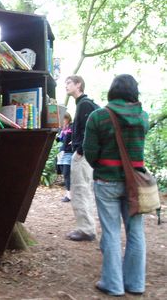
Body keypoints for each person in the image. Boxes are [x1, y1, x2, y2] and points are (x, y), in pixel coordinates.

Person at [84, 74, 148, 296]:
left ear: (113, 91)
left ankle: (113, 284)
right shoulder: (143, 117)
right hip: (136, 184)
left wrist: (102, 166)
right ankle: (136, 283)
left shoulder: (98, 116)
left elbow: (90, 152)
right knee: (136, 231)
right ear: (133, 92)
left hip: (106, 181)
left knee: (111, 233)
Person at [65, 75, 99, 241]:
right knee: (82, 189)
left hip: (83, 156)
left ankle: (86, 229)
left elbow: (88, 131)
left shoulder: (84, 104)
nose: (66, 86)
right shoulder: (84, 104)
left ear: (79, 85)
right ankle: (86, 227)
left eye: (69, 83)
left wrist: (80, 150)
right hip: (86, 156)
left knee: (80, 189)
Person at [56, 112, 73, 202]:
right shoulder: (62, 129)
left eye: (64, 119)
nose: (62, 121)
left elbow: (68, 139)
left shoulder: (71, 127)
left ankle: (69, 195)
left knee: (66, 174)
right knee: (64, 174)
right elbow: (60, 140)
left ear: (67, 118)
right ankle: (69, 193)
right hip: (62, 153)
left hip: (68, 153)